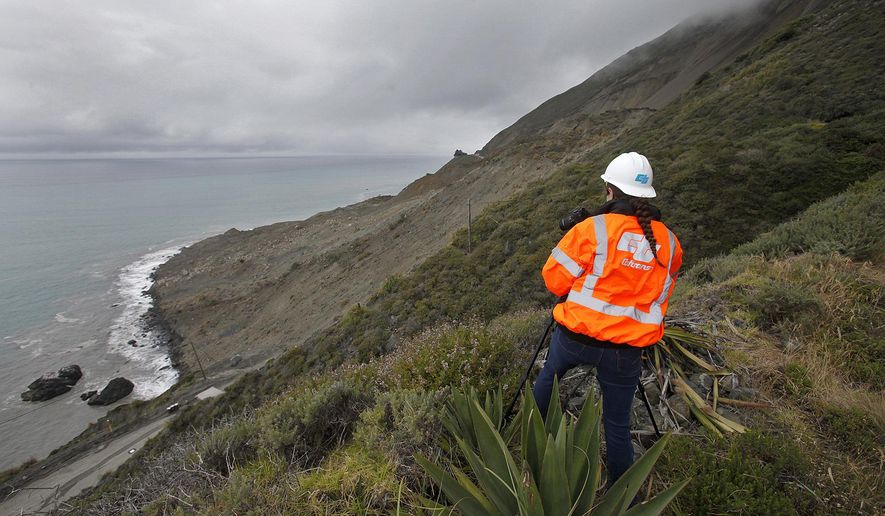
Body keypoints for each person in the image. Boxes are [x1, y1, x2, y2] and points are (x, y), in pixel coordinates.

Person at [532, 151, 683, 485]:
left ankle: (530, 433)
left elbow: (553, 280)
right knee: (617, 424)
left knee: (548, 376)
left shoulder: (592, 229)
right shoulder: (670, 244)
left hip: (577, 338)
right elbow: (659, 298)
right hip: (625, 351)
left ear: (610, 190)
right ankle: (620, 492)